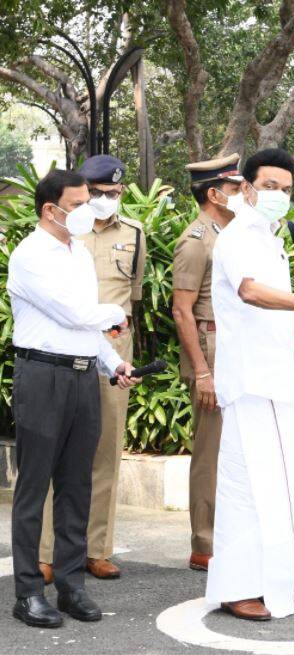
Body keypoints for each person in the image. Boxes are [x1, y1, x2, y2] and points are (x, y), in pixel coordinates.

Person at [204, 148, 294, 621]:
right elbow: (249, 291)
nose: (279, 197)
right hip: (251, 381)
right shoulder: (240, 233)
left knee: (273, 487)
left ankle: (274, 581)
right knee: (250, 487)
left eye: (285, 190)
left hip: (274, 379)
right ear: (244, 189)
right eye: (269, 187)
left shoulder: (267, 235)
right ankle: (241, 586)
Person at [8, 169, 140, 628]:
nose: (91, 209)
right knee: (33, 488)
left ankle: (69, 585)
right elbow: (74, 312)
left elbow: (85, 328)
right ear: (51, 209)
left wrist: (112, 363)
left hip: (84, 378)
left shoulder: (78, 252)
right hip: (42, 376)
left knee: (76, 485)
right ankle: (27, 592)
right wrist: (116, 314)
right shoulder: (30, 255)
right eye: (81, 202)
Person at [37, 154, 146, 584]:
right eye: (96, 194)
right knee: (55, 453)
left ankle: (95, 549)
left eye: (113, 194)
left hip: (113, 351)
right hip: (65, 349)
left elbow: (131, 297)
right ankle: (47, 552)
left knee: (106, 452)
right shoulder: (64, 234)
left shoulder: (134, 234)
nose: (104, 201)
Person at [173, 153, 243, 573]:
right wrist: (201, 371)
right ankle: (204, 543)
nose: (241, 195)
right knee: (210, 451)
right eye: (234, 189)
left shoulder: (231, 234)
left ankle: (227, 534)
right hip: (211, 345)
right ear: (214, 193)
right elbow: (182, 310)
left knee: (232, 449)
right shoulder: (196, 240)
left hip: (233, 342)